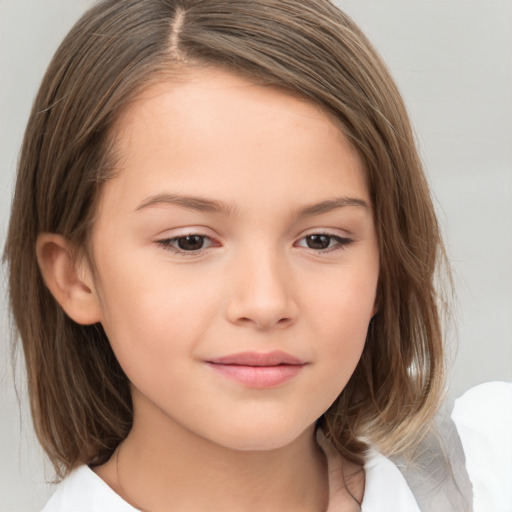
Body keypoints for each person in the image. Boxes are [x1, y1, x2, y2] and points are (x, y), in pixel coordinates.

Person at [3, 0, 511, 510]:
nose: (265, 303)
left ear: (385, 266)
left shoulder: (489, 472)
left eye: (321, 240)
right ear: (76, 277)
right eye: (190, 241)